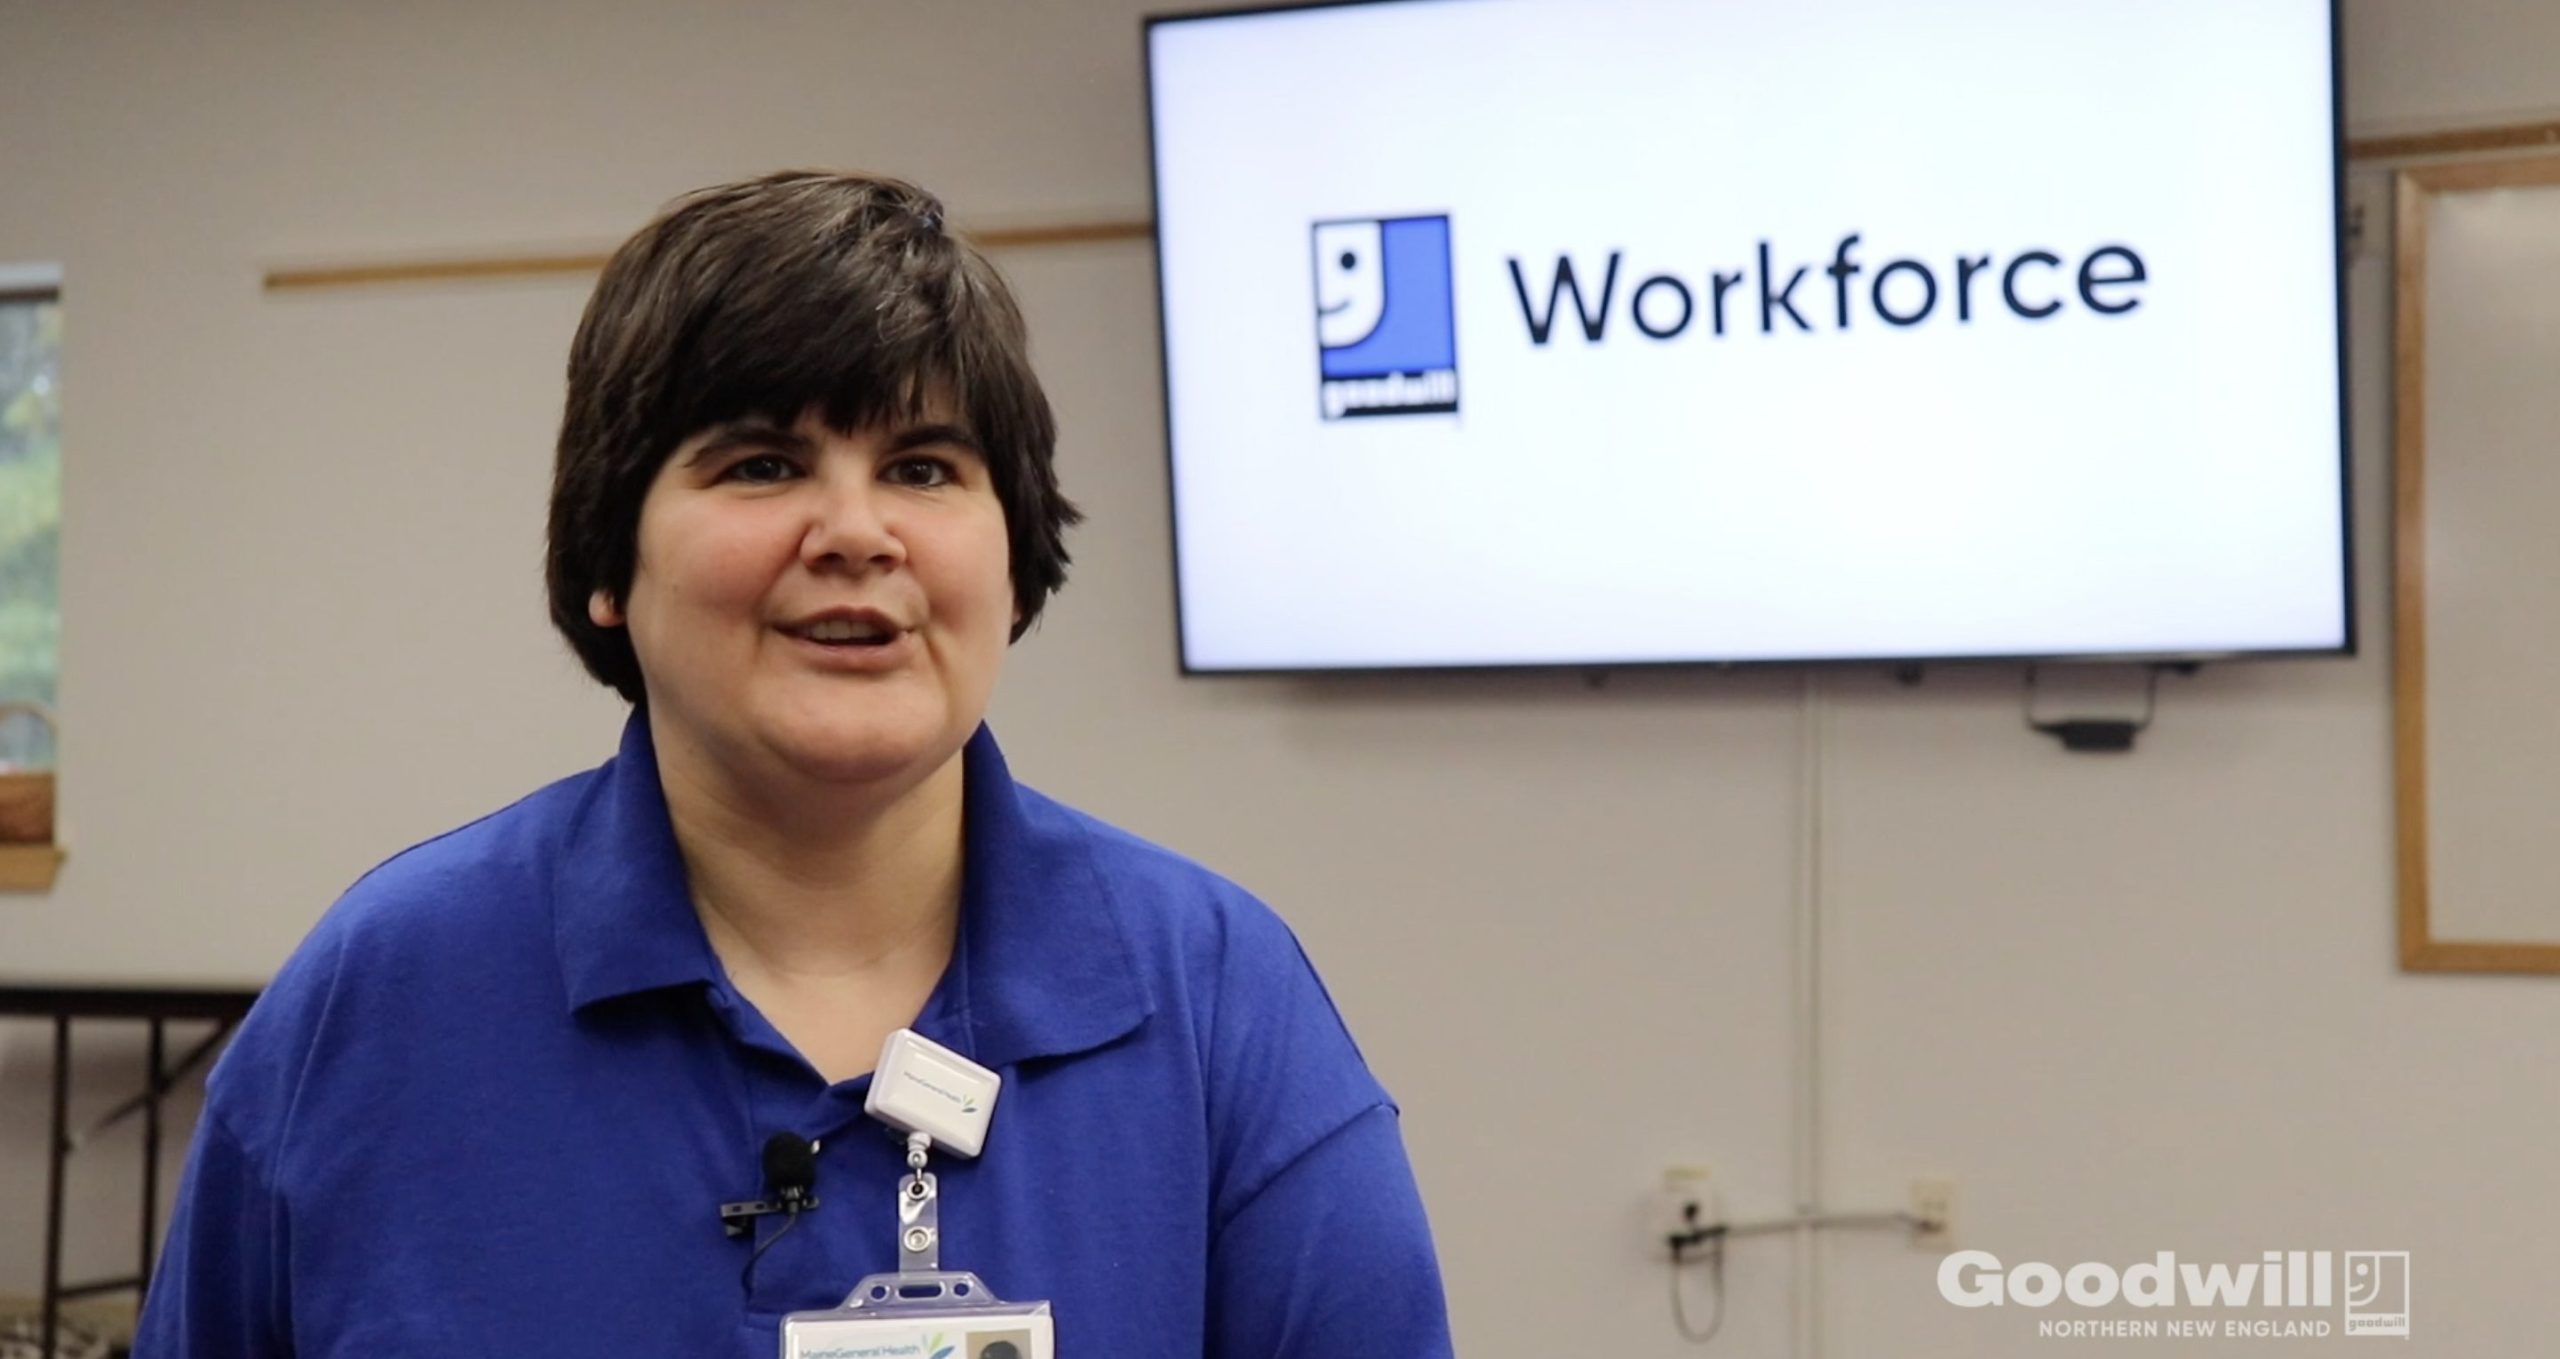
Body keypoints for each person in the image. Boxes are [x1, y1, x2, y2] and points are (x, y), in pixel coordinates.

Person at [133, 170, 1451, 1357]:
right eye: (763, 464)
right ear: (611, 561)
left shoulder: (1213, 1002)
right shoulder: (380, 1001)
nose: (857, 532)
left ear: (1012, 561)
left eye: (925, 468)